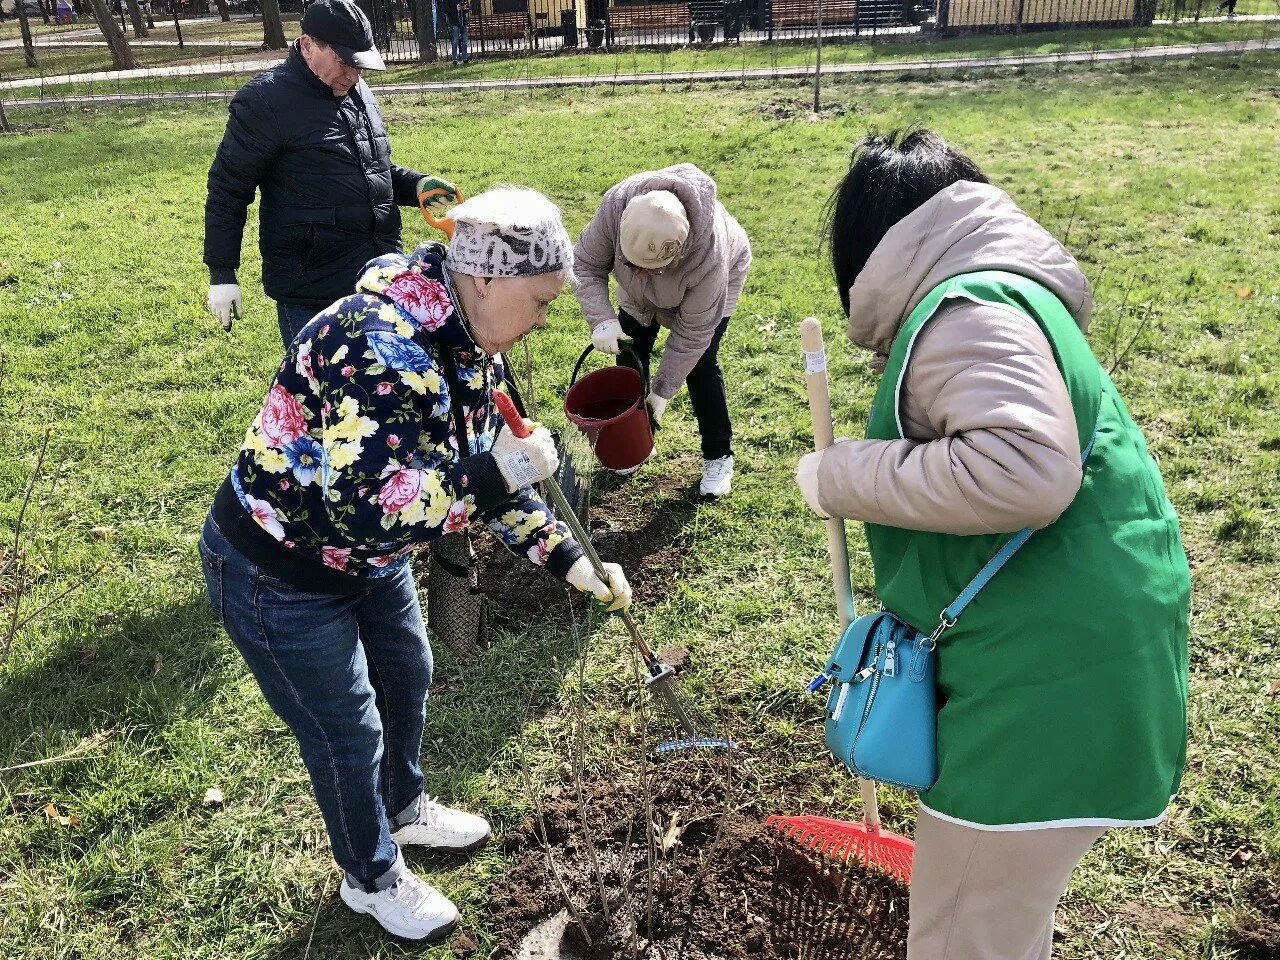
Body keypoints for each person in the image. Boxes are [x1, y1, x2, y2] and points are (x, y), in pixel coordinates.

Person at [197, 187, 633, 943]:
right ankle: (370, 877)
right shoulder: (380, 346)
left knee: (408, 672)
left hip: (370, 561)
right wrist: (498, 475)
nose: (542, 321)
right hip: (282, 567)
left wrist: (569, 559)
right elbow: (365, 506)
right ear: (487, 280)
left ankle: (404, 808)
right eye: (539, 301)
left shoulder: (470, 341)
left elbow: (477, 470)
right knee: (345, 731)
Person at [796, 130, 1189, 960]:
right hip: (1067, 656)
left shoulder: (963, 310)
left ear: (872, 252)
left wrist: (842, 475)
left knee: (964, 935)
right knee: (1000, 919)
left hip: (1042, 687)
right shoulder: (1003, 295)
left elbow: (1027, 472)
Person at [203, 0, 459, 347]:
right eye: (344, 62)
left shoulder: (354, 88)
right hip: (313, 289)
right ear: (308, 46)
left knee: (379, 393)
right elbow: (227, 189)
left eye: (360, 65)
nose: (354, 75)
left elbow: (371, 169)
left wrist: (416, 185)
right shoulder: (264, 102)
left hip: (379, 276)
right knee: (320, 397)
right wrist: (222, 273)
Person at [573, 163, 752, 497]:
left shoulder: (709, 257)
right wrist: (602, 320)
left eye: (649, 268)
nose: (639, 273)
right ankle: (636, 443)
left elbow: (692, 335)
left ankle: (718, 456)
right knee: (630, 354)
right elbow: (584, 263)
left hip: (715, 283)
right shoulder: (616, 208)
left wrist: (662, 392)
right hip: (637, 299)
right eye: (632, 265)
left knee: (700, 365)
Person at [443, 0, 470, 66]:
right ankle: (454, 59)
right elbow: (446, 10)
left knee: (464, 41)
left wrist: (465, 8)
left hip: (463, 22)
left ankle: (465, 58)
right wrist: (455, 9)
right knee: (455, 41)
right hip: (454, 22)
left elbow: (468, 8)